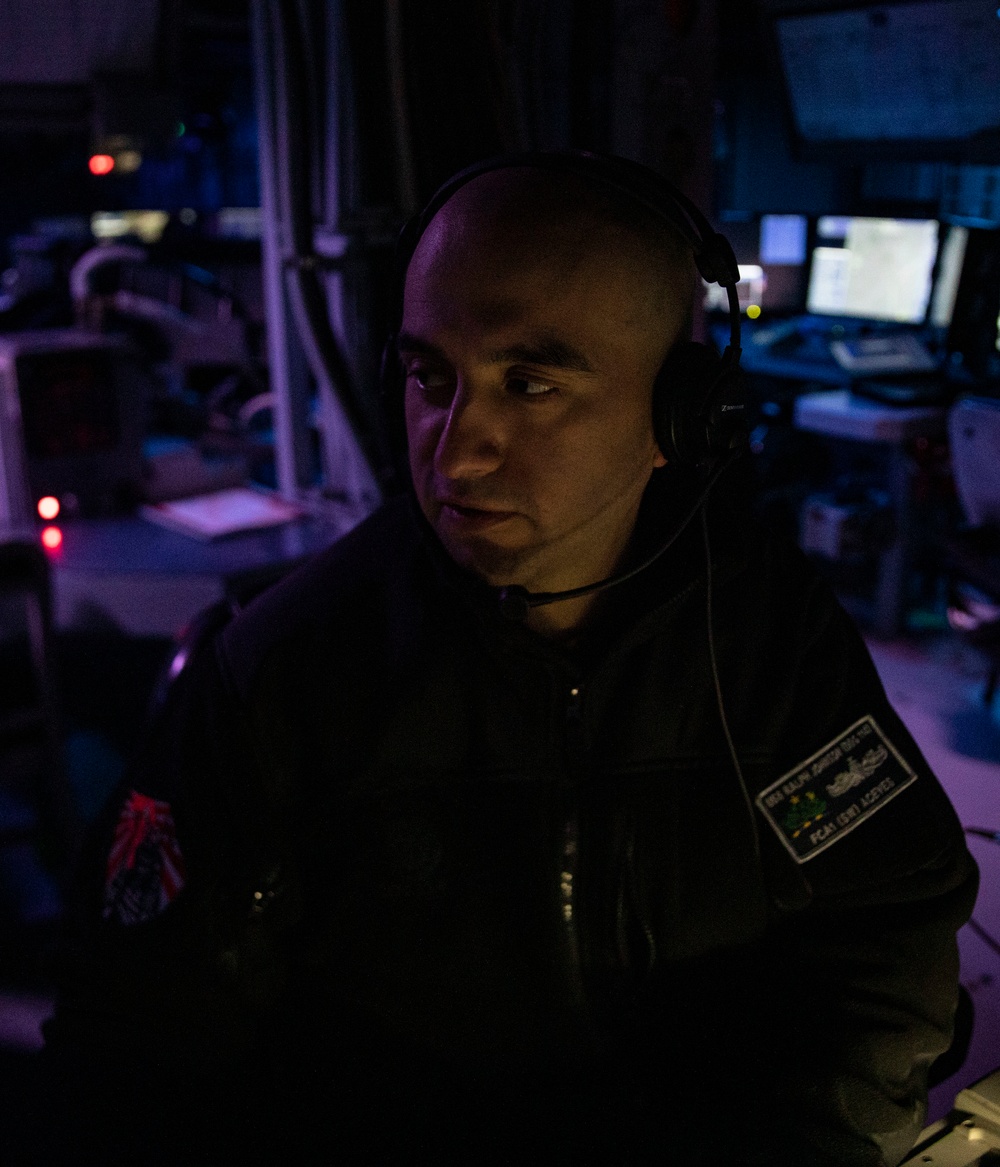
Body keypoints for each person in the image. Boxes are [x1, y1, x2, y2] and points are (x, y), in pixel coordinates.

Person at [33, 154, 976, 1166]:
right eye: (431, 377)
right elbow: (134, 1048)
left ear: (680, 420)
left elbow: (887, 924)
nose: (454, 451)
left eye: (530, 384)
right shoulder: (277, 672)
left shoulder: (768, 642)